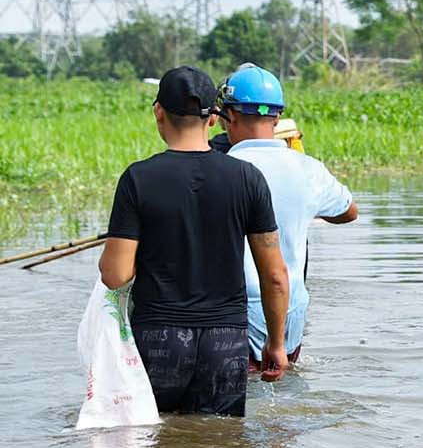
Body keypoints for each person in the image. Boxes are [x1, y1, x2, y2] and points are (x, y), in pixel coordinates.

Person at [98, 66, 291, 416]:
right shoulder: (247, 178)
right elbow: (275, 275)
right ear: (214, 119)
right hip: (226, 342)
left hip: (158, 339)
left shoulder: (138, 179)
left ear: (159, 112)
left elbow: (115, 275)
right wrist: (275, 344)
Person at [218, 64, 358, 368]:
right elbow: (349, 211)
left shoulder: (220, 168)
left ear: (228, 115)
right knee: (282, 391)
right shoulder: (307, 168)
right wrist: (305, 209)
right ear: (278, 117)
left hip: (235, 310)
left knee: (240, 397)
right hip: (291, 308)